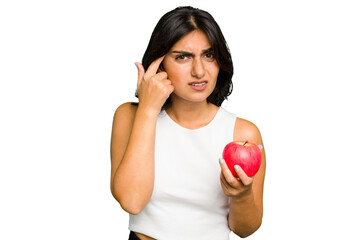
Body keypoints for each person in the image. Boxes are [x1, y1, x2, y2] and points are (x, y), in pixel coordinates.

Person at [110, 6, 266, 240]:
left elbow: (245, 229)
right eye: (183, 56)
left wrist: (241, 195)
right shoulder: (130, 116)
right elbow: (132, 201)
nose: (199, 70)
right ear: (159, 64)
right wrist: (148, 109)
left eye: (209, 55)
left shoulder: (242, 133)